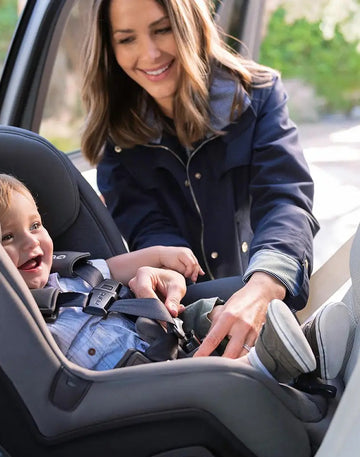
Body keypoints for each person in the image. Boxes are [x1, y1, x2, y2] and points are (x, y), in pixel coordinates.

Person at [80, 0, 321, 360]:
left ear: (190, 23)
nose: (149, 53)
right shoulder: (117, 138)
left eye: (162, 30)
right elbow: (148, 228)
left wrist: (263, 286)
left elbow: (285, 201)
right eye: (127, 39)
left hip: (257, 283)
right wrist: (170, 276)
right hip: (185, 310)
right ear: (110, 50)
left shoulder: (260, 96)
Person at [0, 172, 351, 384]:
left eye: (36, 225)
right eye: (8, 237)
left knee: (209, 311)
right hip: (131, 381)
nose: (32, 242)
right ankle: (271, 365)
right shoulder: (12, 315)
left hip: (158, 336)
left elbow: (115, 267)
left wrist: (159, 257)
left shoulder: (70, 273)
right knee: (220, 374)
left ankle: (300, 348)